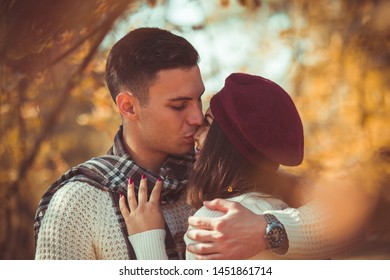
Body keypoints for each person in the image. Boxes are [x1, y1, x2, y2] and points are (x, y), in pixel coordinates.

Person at [34, 27, 360, 260]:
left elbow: (342, 210)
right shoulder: (77, 204)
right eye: (178, 105)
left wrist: (266, 229)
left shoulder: (220, 176)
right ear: (129, 107)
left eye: (199, 99)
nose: (197, 117)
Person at [119, 73, 364, 260]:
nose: (196, 131)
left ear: (227, 143)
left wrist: (147, 239)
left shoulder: (215, 222)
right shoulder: (289, 205)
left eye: (208, 123)